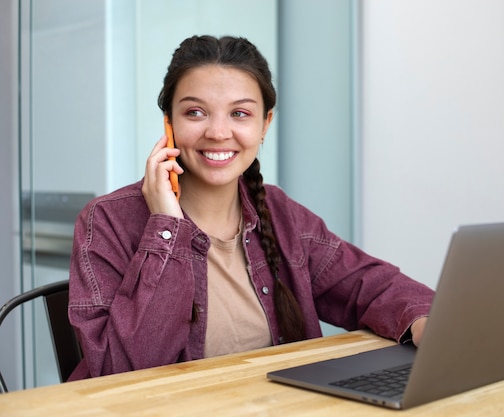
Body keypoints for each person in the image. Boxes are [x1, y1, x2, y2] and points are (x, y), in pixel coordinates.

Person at [67, 35, 434, 380]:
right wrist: (167, 227)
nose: (218, 132)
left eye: (240, 114)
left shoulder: (279, 212)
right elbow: (119, 372)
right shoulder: (106, 221)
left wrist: (424, 320)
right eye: (195, 112)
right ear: (169, 123)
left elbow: (369, 284)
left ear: (264, 125)